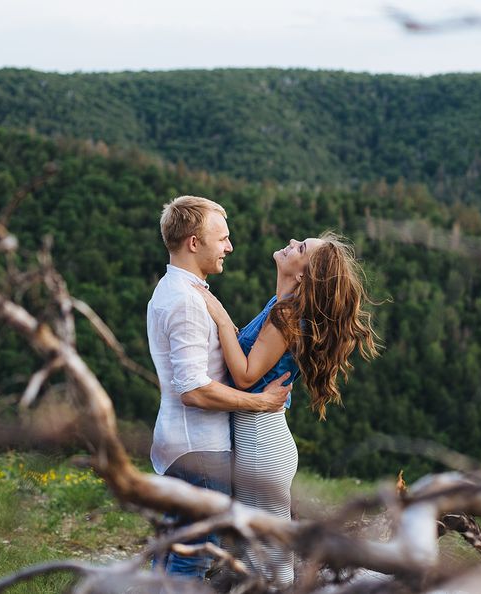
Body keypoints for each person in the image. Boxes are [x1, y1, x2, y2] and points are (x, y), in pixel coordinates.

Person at [195, 232, 379, 586]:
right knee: (260, 548)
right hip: (262, 439)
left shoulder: (286, 314)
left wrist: (218, 316)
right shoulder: (282, 307)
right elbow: (251, 355)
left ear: (305, 275)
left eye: (301, 248)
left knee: (270, 554)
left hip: (261, 444)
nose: (292, 241)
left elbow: (246, 376)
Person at [147, 195, 292, 580]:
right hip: (200, 448)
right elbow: (193, 389)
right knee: (192, 556)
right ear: (194, 242)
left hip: (180, 441)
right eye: (222, 238)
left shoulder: (177, 290)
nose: (229, 247)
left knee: (174, 542)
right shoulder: (187, 302)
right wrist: (259, 402)